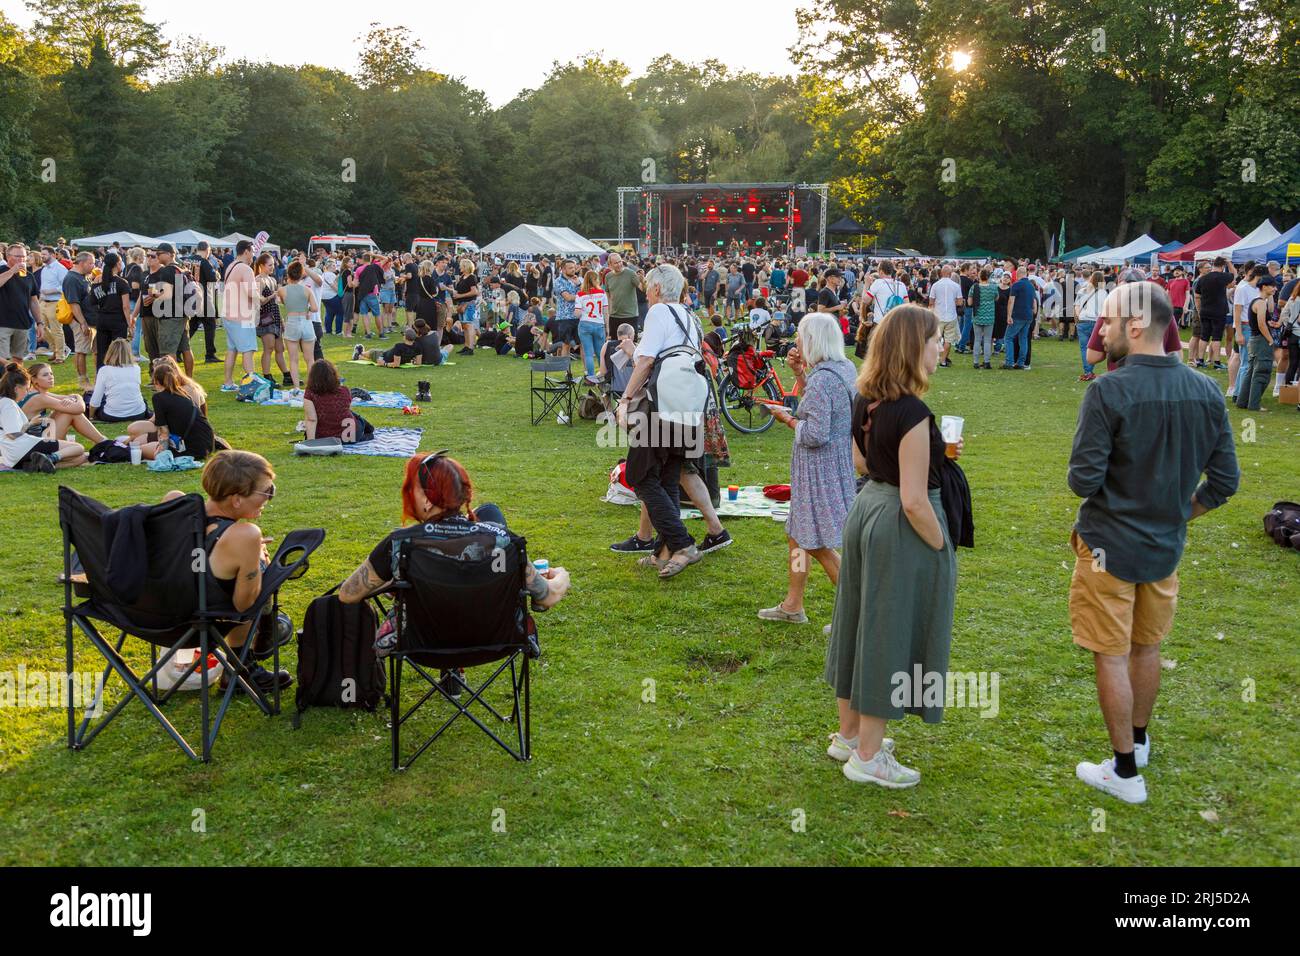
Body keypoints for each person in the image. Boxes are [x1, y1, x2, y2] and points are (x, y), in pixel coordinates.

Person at [1067, 282, 1239, 804]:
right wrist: (1177, 510)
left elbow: (1082, 479)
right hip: (1163, 545)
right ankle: (1136, 744)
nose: (1104, 328)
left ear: (1136, 326)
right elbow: (1225, 483)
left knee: (1113, 654)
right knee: (1146, 645)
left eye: (1111, 319)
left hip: (1108, 548)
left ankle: (1124, 772)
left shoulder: (1108, 390)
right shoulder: (1206, 389)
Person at [825, 304, 958, 788]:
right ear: (911, 347)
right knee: (886, 631)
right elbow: (916, 500)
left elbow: (862, 463)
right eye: (935, 339)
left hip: (865, 512)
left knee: (857, 621)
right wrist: (941, 545)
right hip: (896, 521)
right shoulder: (913, 412)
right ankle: (867, 755)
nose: (940, 347)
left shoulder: (866, 397)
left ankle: (849, 734)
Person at [337, 452, 571, 670]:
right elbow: (546, 596)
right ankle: (454, 676)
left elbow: (348, 594)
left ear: (428, 500)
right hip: (496, 642)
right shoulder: (504, 541)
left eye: (411, 488)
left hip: (420, 646)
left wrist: (397, 583)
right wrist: (562, 575)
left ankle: (450, 674)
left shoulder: (400, 543)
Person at [161, 451, 292, 692]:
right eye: (266, 491)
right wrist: (255, 561)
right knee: (246, 584)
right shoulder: (245, 535)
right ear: (236, 500)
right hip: (196, 624)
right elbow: (244, 605)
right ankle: (240, 667)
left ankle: (247, 659)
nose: (269, 497)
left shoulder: (175, 505)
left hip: (153, 616)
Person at [758, 314, 857, 625]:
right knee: (797, 536)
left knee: (815, 542)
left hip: (819, 471)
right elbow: (819, 408)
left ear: (813, 340)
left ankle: (859, 614)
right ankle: (792, 604)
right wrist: (801, 373)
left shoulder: (824, 379)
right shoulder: (843, 368)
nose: (796, 342)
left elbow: (814, 433)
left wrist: (786, 419)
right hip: (835, 464)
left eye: (800, 336)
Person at [614, 264, 704, 578]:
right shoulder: (689, 316)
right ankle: (663, 551)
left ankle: (682, 544)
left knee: (640, 475)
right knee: (667, 476)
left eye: (646, 289)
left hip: (660, 405)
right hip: (687, 404)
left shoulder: (658, 313)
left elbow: (648, 361)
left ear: (655, 289)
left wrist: (624, 399)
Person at [0, 362, 88, 472]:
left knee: (80, 458)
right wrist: (30, 425)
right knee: (78, 448)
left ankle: (37, 466)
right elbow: (12, 435)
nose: (27, 392)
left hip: (14, 455)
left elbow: (9, 431)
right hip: (23, 448)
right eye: (26, 389)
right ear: (16, 388)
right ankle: (50, 458)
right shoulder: (8, 404)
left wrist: (31, 423)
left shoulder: (5, 402)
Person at [134, 357, 215, 461]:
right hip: (206, 445)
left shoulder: (159, 397)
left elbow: (164, 432)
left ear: (156, 381)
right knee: (139, 443)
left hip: (189, 449)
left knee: (139, 449)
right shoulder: (183, 393)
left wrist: (162, 454)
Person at [140, 243, 195, 377]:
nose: (157, 256)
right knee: (186, 349)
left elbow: (167, 294)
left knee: (168, 353)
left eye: (159, 253)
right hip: (182, 314)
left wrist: (153, 296)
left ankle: (174, 383)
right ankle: (188, 380)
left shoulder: (167, 270)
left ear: (170, 254)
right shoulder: (181, 268)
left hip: (170, 316)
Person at [19, 362, 107, 442]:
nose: (51, 377)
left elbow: (68, 398)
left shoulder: (37, 393)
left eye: (51, 373)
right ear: (34, 380)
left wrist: (73, 398)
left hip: (34, 437)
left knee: (63, 410)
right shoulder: (39, 398)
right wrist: (79, 396)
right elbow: (80, 408)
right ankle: (103, 442)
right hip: (34, 442)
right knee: (70, 412)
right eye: (45, 375)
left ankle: (102, 441)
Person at [219, 240, 259, 392]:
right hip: (242, 315)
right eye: (253, 252)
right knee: (248, 350)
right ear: (247, 251)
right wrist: (258, 301)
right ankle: (251, 385)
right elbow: (250, 292)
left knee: (232, 350)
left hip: (229, 313)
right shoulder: (245, 268)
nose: (254, 256)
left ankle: (228, 383)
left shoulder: (231, 265)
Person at [1236, 274, 1279, 411]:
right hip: (1261, 341)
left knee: (1251, 372)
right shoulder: (1260, 303)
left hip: (1254, 341)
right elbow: (1261, 324)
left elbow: (1261, 322)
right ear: (1264, 286)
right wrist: (1271, 340)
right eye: (1272, 286)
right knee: (1262, 372)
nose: (1275, 289)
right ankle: (1254, 405)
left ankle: (1242, 402)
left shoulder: (1257, 301)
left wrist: (1269, 323)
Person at [276, 260, 318, 393]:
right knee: (309, 358)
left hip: (292, 322)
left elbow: (283, 302)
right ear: (301, 274)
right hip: (305, 322)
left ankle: (296, 387)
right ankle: (311, 387)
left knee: (293, 359)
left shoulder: (282, 290)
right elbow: (315, 308)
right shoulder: (307, 290)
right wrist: (308, 310)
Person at [89, 251, 132, 374]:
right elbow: (125, 306)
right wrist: (129, 324)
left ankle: (101, 376)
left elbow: (93, 302)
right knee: (119, 349)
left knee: (102, 351)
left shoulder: (96, 283)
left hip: (102, 319)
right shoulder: (122, 283)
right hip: (118, 320)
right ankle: (119, 374)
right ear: (118, 264)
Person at [87, 339, 149, 423]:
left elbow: (95, 400)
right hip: (138, 413)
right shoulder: (136, 368)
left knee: (88, 395)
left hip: (112, 415)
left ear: (110, 353)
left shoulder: (104, 370)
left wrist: (91, 416)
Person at [61, 251, 96, 388]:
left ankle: (97, 379)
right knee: (81, 350)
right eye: (91, 263)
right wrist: (82, 323)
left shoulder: (84, 276)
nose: (93, 265)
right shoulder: (71, 278)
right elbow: (73, 304)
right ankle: (83, 380)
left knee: (95, 350)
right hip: (80, 320)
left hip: (91, 319)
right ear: (81, 263)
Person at [303, 359, 359, 443]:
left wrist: (311, 442)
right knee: (357, 418)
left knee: (356, 417)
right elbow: (345, 410)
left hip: (322, 437)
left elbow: (312, 419)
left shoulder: (310, 393)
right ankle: (368, 429)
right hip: (347, 436)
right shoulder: (344, 390)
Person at [255, 253, 289, 383]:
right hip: (265, 319)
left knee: (280, 348)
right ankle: (267, 376)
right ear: (262, 265)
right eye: (270, 265)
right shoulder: (258, 280)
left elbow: (276, 303)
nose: (273, 267)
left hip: (275, 317)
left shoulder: (272, 280)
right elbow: (258, 301)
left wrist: (281, 320)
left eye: (273, 265)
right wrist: (272, 296)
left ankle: (287, 375)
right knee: (268, 348)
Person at [575, 269, 609, 384]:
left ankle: (591, 378)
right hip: (599, 324)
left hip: (585, 323)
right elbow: (605, 312)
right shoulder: (602, 293)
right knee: (600, 353)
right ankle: (603, 376)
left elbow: (578, 313)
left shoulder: (580, 294)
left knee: (588, 353)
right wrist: (607, 327)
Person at [927, 264, 964, 367]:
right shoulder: (956, 286)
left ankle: (932, 358)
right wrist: (953, 301)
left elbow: (931, 301)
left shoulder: (935, 285)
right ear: (950, 273)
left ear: (941, 273)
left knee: (935, 338)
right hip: (951, 315)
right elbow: (960, 302)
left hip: (938, 315)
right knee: (948, 340)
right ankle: (943, 361)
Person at [36, 246, 68, 364]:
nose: (42, 256)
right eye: (41, 254)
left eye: (44, 254)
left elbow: (65, 286)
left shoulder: (60, 268)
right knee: (40, 327)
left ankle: (60, 355)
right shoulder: (44, 269)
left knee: (56, 330)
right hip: (43, 302)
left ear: (53, 255)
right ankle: (54, 348)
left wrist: (52, 291)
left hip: (55, 302)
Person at [190, 241, 220, 364]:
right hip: (203, 298)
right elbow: (212, 278)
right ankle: (210, 354)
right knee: (210, 326)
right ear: (207, 250)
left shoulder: (187, 260)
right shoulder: (204, 261)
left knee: (192, 326)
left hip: (189, 298)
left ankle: (178, 351)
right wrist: (216, 273)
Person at [1074, 270, 1106, 381]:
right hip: (1097, 322)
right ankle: (1089, 371)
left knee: (1084, 348)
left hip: (1083, 321)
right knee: (1094, 348)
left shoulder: (1082, 291)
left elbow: (1077, 307)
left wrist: (1079, 318)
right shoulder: (1104, 293)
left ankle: (1088, 371)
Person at [1004, 270, 1037, 369]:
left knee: (1008, 338)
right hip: (1028, 316)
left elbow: (1011, 301)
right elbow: (1034, 302)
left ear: (1017, 275)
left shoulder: (1016, 285)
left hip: (1018, 315)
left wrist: (1009, 315)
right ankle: (1021, 362)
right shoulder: (1031, 286)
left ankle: (1009, 362)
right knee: (1023, 339)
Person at [603, 253, 641, 338]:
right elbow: (608, 295)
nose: (619, 264)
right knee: (614, 343)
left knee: (631, 343)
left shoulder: (631, 274)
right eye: (616, 263)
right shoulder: (608, 277)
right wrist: (609, 313)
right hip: (614, 316)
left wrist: (642, 280)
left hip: (630, 315)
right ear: (610, 265)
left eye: (620, 261)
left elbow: (642, 288)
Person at [968, 267, 997, 369]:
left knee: (977, 339)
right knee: (988, 340)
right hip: (989, 316)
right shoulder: (993, 287)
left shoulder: (974, 287)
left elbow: (969, 303)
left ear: (980, 276)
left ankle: (976, 362)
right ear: (988, 277)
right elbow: (996, 298)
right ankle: (987, 362)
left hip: (977, 316)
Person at [550, 259, 579, 359]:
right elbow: (568, 298)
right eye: (570, 268)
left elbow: (587, 291)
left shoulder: (577, 280)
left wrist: (579, 284)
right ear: (562, 269)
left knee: (582, 344)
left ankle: (587, 372)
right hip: (565, 317)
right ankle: (566, 372)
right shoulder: (558, 281)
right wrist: (582, 296)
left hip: (578, 316)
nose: (573, 270)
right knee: (566, 345)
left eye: (574, 268)